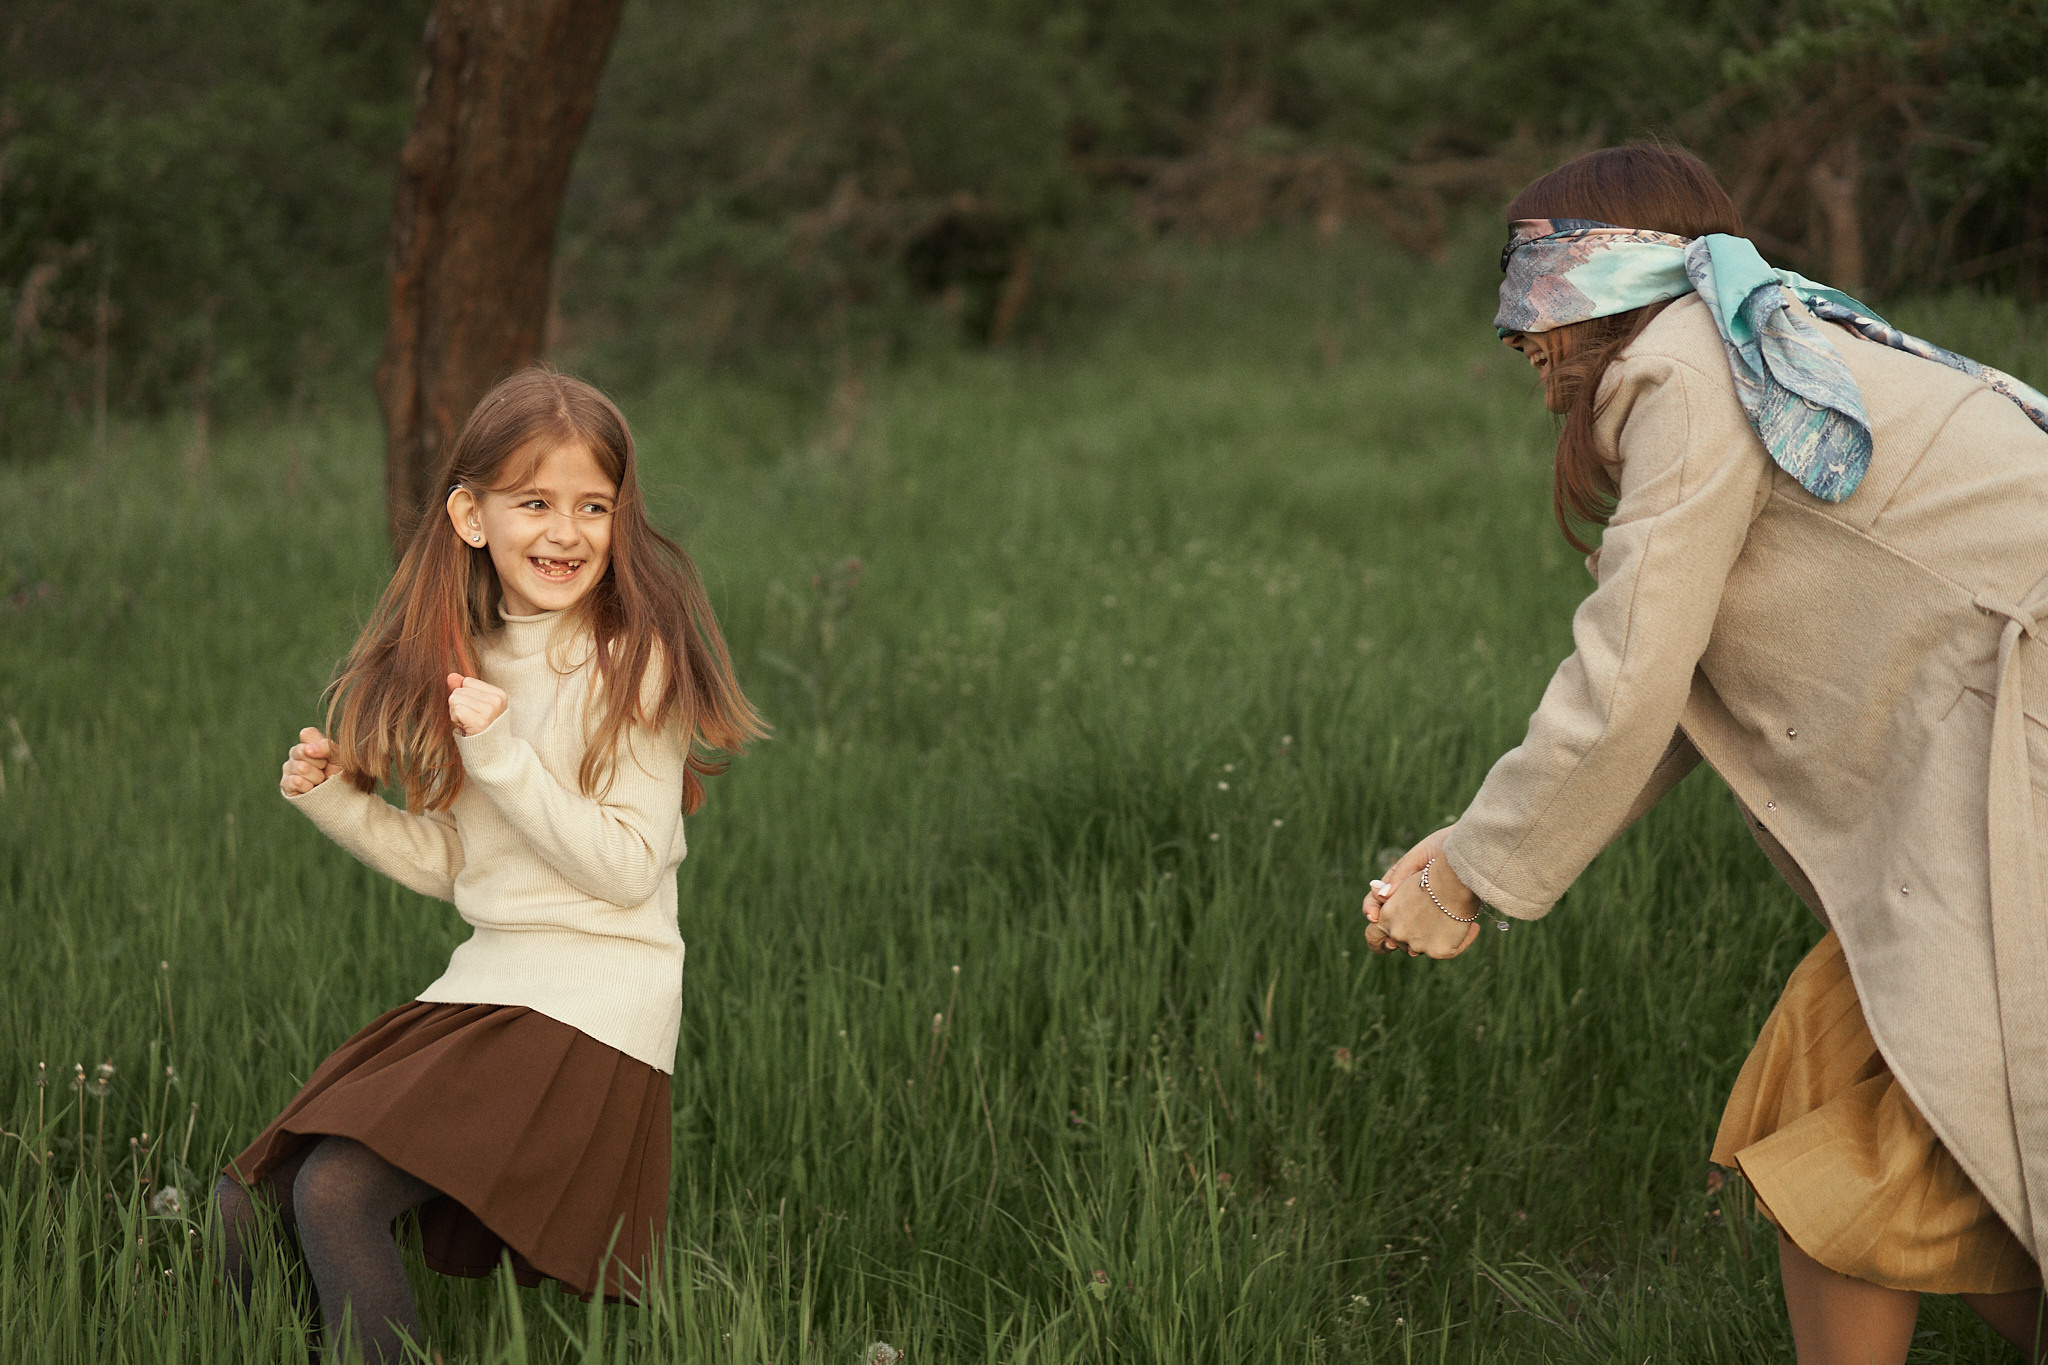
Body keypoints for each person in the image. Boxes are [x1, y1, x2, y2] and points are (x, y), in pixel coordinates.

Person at [1362, 144, 2048, 1364]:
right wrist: (1463, 850)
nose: (1514, 324)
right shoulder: (1740, 352)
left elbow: (1625, 676)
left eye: (1542, 277)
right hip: (1984, 762)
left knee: (1944, 1110)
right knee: (1847, 1078)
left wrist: (1466, 884)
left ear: (1626, 276)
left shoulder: (1683, 368)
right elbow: (1669, 691)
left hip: (2020, 758)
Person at [214, 368, 765, 1363]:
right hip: (495, 977)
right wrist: (339, 801)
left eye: (592, 505)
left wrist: (502, 755)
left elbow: (627, 868)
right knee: (251, 1195)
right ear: (471, 515)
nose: (566, 532)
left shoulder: (633, 658)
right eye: (535, 503)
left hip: (597, 993)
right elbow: (464, 870)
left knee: (335, 1192)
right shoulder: (468, 661)